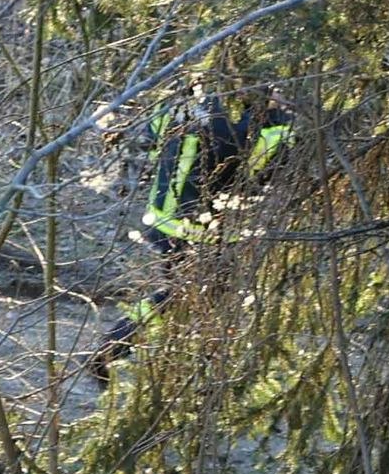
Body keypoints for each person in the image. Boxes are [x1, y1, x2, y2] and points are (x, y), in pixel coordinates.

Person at [106, 87, 293, 358]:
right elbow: (264, 167)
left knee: (186, 296)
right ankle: (115, 346)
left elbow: (153, 135)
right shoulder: (249, 127)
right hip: (199, 231)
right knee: (188, 296)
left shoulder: (191, 99)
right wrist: (278, 120)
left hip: (163, 216)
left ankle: (132, 348)